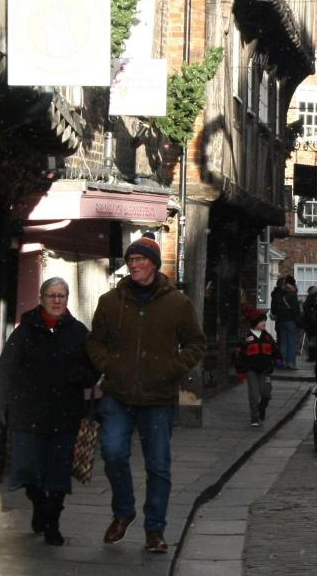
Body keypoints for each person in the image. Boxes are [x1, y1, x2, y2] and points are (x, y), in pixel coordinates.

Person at [87, 234, 207, 553]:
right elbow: (94, 342)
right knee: (112, 453)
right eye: (130, 260)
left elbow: (196, 343)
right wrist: (109, 365)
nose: (133, 265)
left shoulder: (177, 303)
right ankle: (123, 512)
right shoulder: (110, 302)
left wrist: (171, 369)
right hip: (118, 393)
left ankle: (155, 529)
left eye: (139, 259)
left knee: (158, 465)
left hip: (158, 398)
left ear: (153, 264)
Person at [0, 277, 99, 546]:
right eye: (52, 295)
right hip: (28, 413)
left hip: (65, 414)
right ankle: (39, 503)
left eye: (62, 296)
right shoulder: (25, 331)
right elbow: (4, 370)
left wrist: (81, 375)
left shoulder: (78, 332)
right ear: (41, 298)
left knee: (59, 472)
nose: (57, 301)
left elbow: (94, 371)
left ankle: (52, 522)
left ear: (67, 299)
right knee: (28, 470)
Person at [235, 305, 278, 426]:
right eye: (261, 321)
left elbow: (275, 350)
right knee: (253, 394)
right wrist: (240, 371)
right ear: (254, 323)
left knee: (266, 393)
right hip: (251, 370)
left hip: (265, 370)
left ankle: (261, 407)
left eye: (264, 320)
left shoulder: (268, 337)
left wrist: (278, 359)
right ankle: (254, 416)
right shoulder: (246, 338)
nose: (264, 323)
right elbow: (240, 355)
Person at [270, 275, 302, 370]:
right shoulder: (292, 295)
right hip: (290, 321)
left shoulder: (277, 294)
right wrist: (299, 323)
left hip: (280, 321)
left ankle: (282, 363)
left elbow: (274, 309)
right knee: (291, 343)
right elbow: (296, 310)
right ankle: (291, 363)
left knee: (283, 343)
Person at [302, 285, 317, 362]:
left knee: (313, 340)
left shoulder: (312, 299)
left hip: (312, 323)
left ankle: (312, 356)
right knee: (315, 340)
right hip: (316, 323)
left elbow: (307, 309)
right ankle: (314, 356)